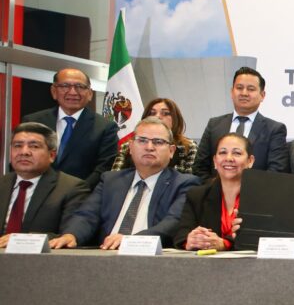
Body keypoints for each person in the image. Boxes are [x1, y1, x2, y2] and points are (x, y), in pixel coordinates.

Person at [50, 117, 200, 250]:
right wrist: (71, 235)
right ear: (131, 147)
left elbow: (172, 223)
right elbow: (87, 215)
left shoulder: (184, 184)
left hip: (151, 258)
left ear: (171, 151)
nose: (149, 147)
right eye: (142, 140)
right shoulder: (110, 180)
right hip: (106, 253)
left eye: (158, 142)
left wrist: (131, 241)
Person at [21, 68, 118, 189]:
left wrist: (76, 192)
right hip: (36, 192)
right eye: (65, 86)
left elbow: (103, 168)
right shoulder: (33, 121)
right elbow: (24, 158)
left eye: (80, 86)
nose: (73, 92)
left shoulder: (105, 127)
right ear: (54, 91)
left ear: (90, 94)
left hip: (81, 195)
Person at [0, 122, 90, 247]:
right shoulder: (2, 184)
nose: (24, 152)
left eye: (34, 146)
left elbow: (68, 236)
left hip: (40, 257)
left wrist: (22, 240)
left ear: (52, 155)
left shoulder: (71, 188)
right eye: (17, 146)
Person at [193, 66, 288, 180]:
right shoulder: (214, 125)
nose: (244, 93)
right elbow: (199, 167)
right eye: (239, 88)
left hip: (256, 191)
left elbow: (276, 172)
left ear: (262, 95)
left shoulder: (275, 129)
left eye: (251, 89)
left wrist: (246, 190)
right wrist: (217, 189)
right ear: (231, 92)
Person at [174, 133, 252, 250]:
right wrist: (192, 240)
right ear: (215, 161)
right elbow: (181, 236)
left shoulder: (263, 197)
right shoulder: (197, 195)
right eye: (223, 152)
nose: (229, 158)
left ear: (250, 161)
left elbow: (262, 238)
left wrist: (225, 244)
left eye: (237, 153)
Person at [111, 98, 198, 174]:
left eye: (165, 113)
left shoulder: (188, 146)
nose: (157, 116)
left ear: (175, 119)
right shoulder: (128, 145)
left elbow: (191, 182)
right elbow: (114, 178)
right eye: (152, 113)